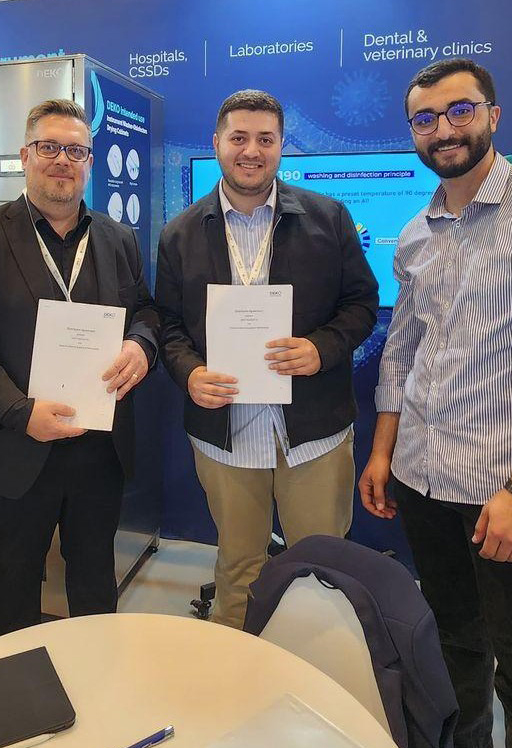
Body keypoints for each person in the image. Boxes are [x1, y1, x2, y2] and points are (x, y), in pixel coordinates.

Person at [358, 58, 512, 748]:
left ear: (492, 115)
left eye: (460, 111)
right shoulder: (418, 233)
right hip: (423, 482)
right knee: (455, 648)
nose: (443, 129)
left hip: (507, 490)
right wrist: (383, 453)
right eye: (425, 119)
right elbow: (402, 353)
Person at [0, 99, 159, 639]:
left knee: (94, 581)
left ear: (89, 161)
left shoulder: (117, 238)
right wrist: (19, 412)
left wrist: (141, 345)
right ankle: (13, 683)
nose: (63, 160)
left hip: (98, 448)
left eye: (75, 151)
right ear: (26, 155)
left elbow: (147, 312)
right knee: (12, 584)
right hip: (17, 447)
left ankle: (95, 674)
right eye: (49, 147)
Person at [156, 89, 379, 629]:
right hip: (225, 432)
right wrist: (190, 373)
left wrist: (321, 348)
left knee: (323, 569)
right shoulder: (180, 233)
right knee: (239, 567)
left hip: (313, 431)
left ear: (282, 145)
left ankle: (315, 667)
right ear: (217, 143)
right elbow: (168, 326)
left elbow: (362, 305)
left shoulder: (329, 218)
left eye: (265, 139)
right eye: (239, 137)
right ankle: (241, 670)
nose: (251, 151)